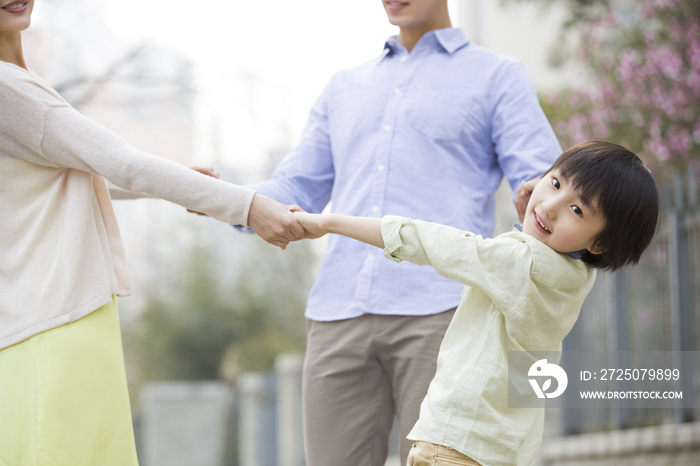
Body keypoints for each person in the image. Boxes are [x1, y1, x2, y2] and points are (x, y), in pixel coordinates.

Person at [230, 0, 562, 463]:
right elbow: (294, 187)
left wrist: (534, 204)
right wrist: (217, 197)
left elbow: (548, 187)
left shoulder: (498, 76)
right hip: (338, 314)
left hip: (446, 314)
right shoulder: (343, 87)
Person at [0, 1, 304, 465]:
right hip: (54, 318)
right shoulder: (11, 88)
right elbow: (120, 160)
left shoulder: (21, 80)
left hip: (50, 314)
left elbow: (74, 176)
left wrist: (176, 183)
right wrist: (247, 207)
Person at [294, 141, 660, 466]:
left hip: (454, 445)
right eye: (555, 182)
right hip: (503, 451)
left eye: (577, 210)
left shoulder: (516, 261)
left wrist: (331, 222)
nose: (549, 208)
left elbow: (434, 242)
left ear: (599, 245)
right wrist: (554, 214)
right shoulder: (575, 280)